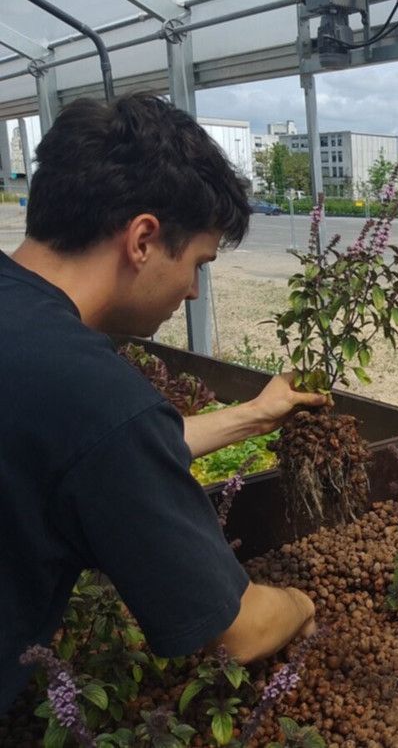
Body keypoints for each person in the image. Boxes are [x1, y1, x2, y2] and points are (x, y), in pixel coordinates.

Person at [1, 93, 325, 714]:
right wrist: (301, 603)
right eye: (199, 263)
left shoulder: (31, 348)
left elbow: (84, 455)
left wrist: (256, 414)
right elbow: (238, 631)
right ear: (143, 239)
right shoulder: (89, 391)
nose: (194, 292)